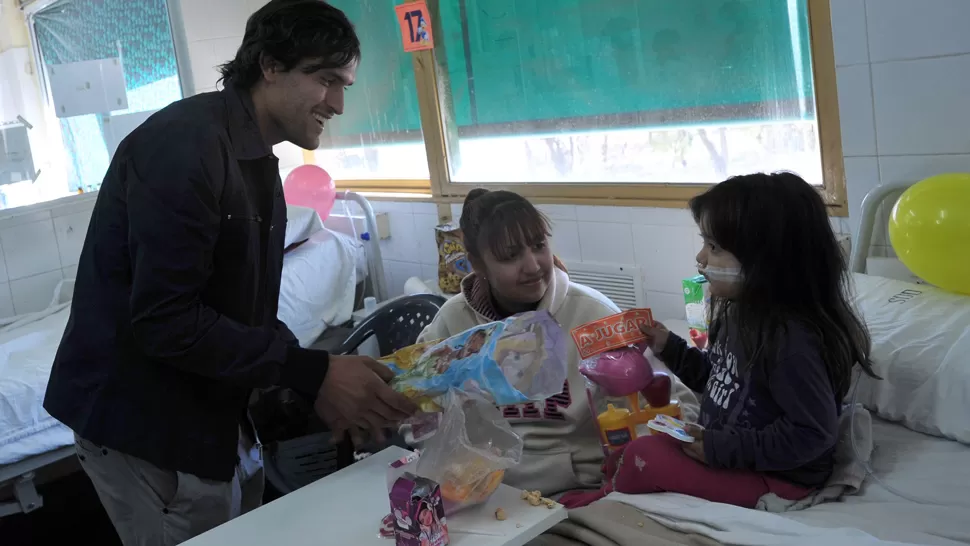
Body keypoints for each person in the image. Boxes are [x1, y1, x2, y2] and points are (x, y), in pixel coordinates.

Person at [43, 1, 416, 544]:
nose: (337, 103)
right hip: (147, 424)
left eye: (346, 85)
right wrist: (310, 374)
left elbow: (245, 312)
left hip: (215, 414)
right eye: (325, 79)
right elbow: (167, 321)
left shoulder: (255, 161)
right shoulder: (185, 147)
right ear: (269, 65)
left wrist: (319, 376)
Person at [560, 172, 879, 509]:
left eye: (713, 247)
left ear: (767, 263)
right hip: (732, 452)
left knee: (643, 454)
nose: (700, 258)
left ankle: (608, 500)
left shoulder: (792, 342)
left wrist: (718, 449)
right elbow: (719, 380)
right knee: (629, 448)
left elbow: (811, 434)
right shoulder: (738, 312)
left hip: (780, 477)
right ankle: (619, 480)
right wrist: (669, 346)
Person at [416, 189, 700, 497]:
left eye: (539, 246)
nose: (533, 265)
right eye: (510, 256)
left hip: (584, 490)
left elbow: (676, 406)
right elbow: (415, 415)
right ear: (478, 264)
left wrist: (627, 463)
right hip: (482, 496)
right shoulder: (451, 324)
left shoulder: (593, 315)